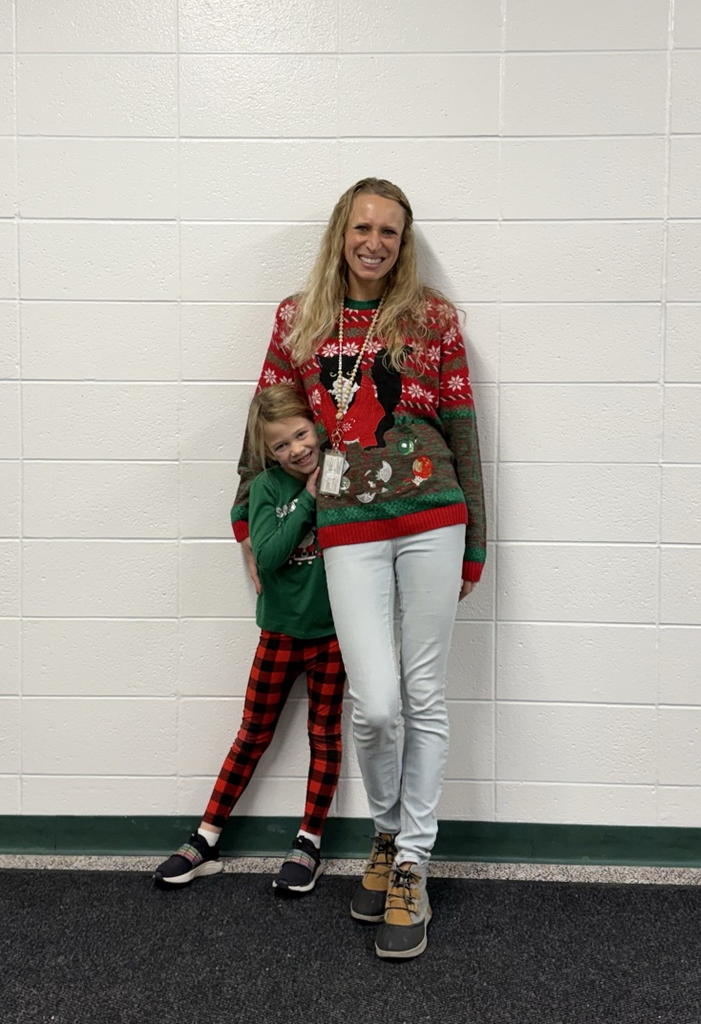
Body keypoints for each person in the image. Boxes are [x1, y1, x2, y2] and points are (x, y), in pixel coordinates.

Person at [231, 178, 486, 958]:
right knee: (375, 703)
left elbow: (463, 428)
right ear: (342, 231)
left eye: (390, 232)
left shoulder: (432, 317)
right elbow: (267, 415)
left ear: (403, 243)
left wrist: (477, 540)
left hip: (432, 515)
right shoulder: (297, 317)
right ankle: (382, 834)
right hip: (345, 521)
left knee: (423, 689)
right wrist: (247, 509)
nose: (375, 242)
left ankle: (412, 860)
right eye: (363, 227)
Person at [155, 384, 346, 896]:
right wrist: (306, 500)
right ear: (266, 451)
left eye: (302, 434)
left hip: (334, 636)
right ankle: (206, 838)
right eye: (281, 445)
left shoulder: (343, 473)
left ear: (318, 426)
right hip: (280, 632)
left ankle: (308, 842)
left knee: (324, 735)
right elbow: (268, 555)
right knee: (251, 734)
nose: (297, 450)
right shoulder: (266, 488)